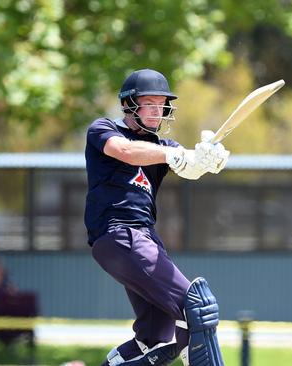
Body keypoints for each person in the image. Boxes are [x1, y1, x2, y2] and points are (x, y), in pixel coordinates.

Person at [84, 69, 229, 366]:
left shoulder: (164, 147)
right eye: (148, 102)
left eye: (161, 103)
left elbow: (187, 166)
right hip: (119, 233)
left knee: (158, 338)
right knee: (198, 305)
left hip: (144, 237)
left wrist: (204, 159)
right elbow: (124, 150)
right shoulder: (103, 129)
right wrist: (172, 155)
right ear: (128, 105)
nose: (156, 110)